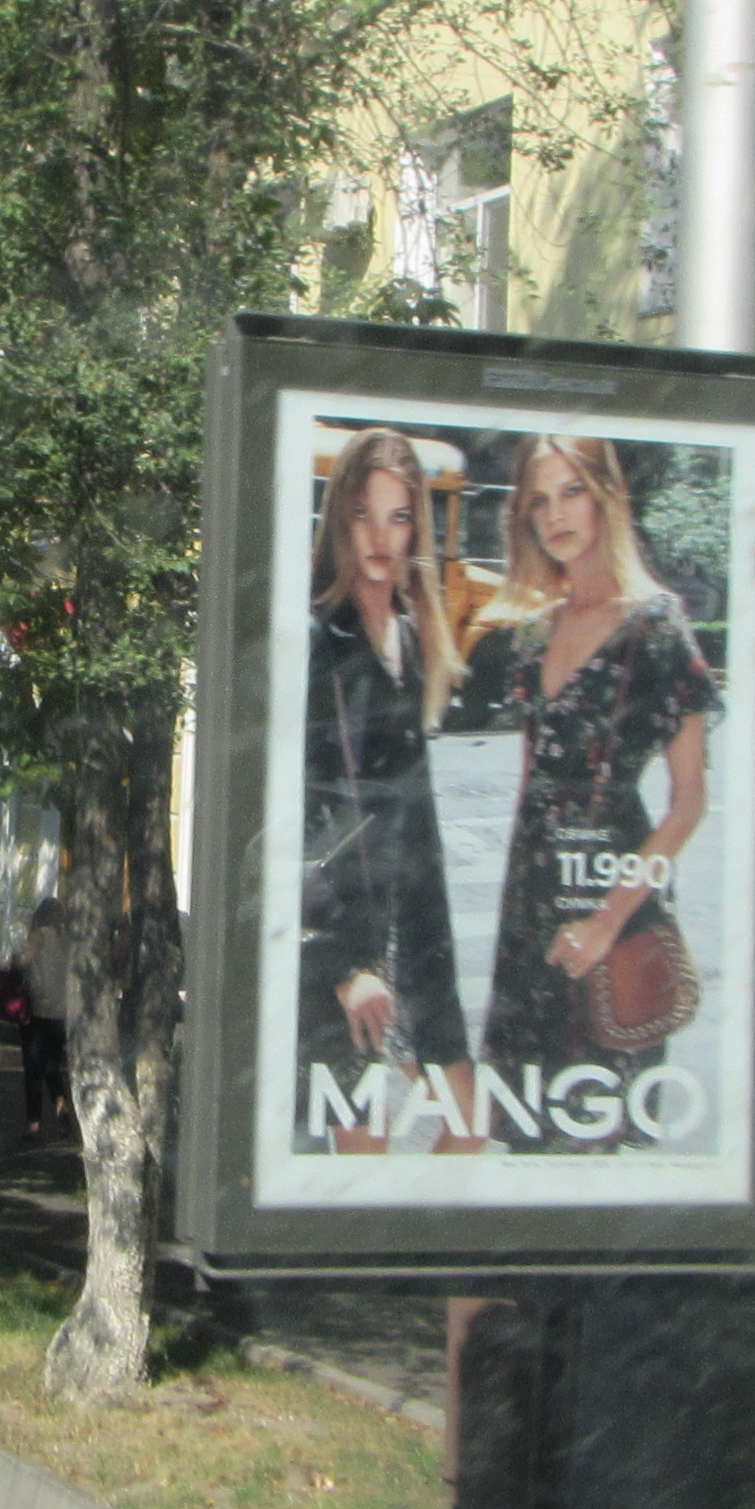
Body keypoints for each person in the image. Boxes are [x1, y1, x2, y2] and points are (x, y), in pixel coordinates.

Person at [469, 433, 718, 1140]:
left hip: (612, 901)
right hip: (531, 911)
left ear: (607, 496)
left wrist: (608, 921)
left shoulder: (658, 629)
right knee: (524, 1127)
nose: (556, 515)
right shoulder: (532, 637)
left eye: (572, 491)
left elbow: (689, 803)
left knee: (596, 1130)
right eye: (539, 501)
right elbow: (532, 787)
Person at [295, 426, 472, 1151]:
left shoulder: (413, 634)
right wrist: (343, 968)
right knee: (361, 1170)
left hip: (419, 936)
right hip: (347, 943)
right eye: (363, 514)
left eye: (398, 517)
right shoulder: (317, 639)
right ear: (339, 519)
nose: (380, 536)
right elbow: (295, 813)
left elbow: (415, 813)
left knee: (468, 1131)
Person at [18, 893, 70, 1136]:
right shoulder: (66, 938)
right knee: (52, 1064)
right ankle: (60, 1104)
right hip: (61, 1011)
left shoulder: (38, 935)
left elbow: (24, 961)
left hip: (37, 1008)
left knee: (33, 1068)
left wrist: (16, 959)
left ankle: (34, 1123)